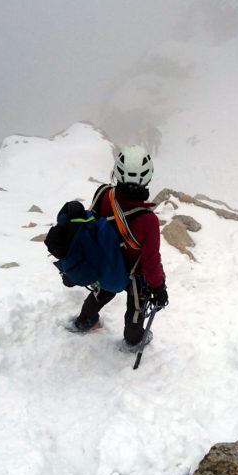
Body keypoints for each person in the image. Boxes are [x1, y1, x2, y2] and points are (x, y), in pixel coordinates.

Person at [72, 145, 168, 349]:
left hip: (106, 266)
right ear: (148, 176)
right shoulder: (148, 220)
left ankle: (85, 322)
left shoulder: (104, 194)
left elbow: (92, 224)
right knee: (136, 307)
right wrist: (159, 288)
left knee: (102, 292)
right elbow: (151, 262)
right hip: (134, 274)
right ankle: (134, 340)